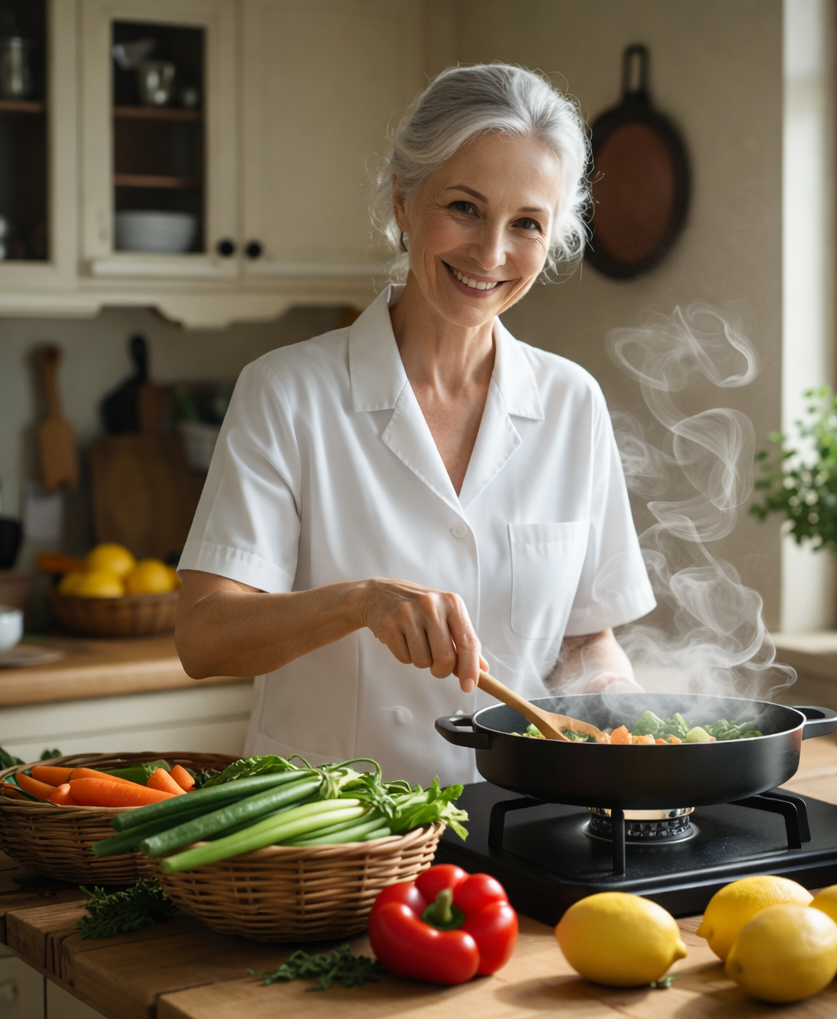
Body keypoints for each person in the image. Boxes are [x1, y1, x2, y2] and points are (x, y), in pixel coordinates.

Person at [174, 64, 656, 785]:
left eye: (526, 223)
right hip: (331, 840)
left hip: (512, 831)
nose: (491, 254)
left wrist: (620, 704)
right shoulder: (287, 391)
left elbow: (587, 639)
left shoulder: (571, 402)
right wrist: (362, 602)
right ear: (403, 199)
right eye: (464, 207)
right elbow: (204, 637)